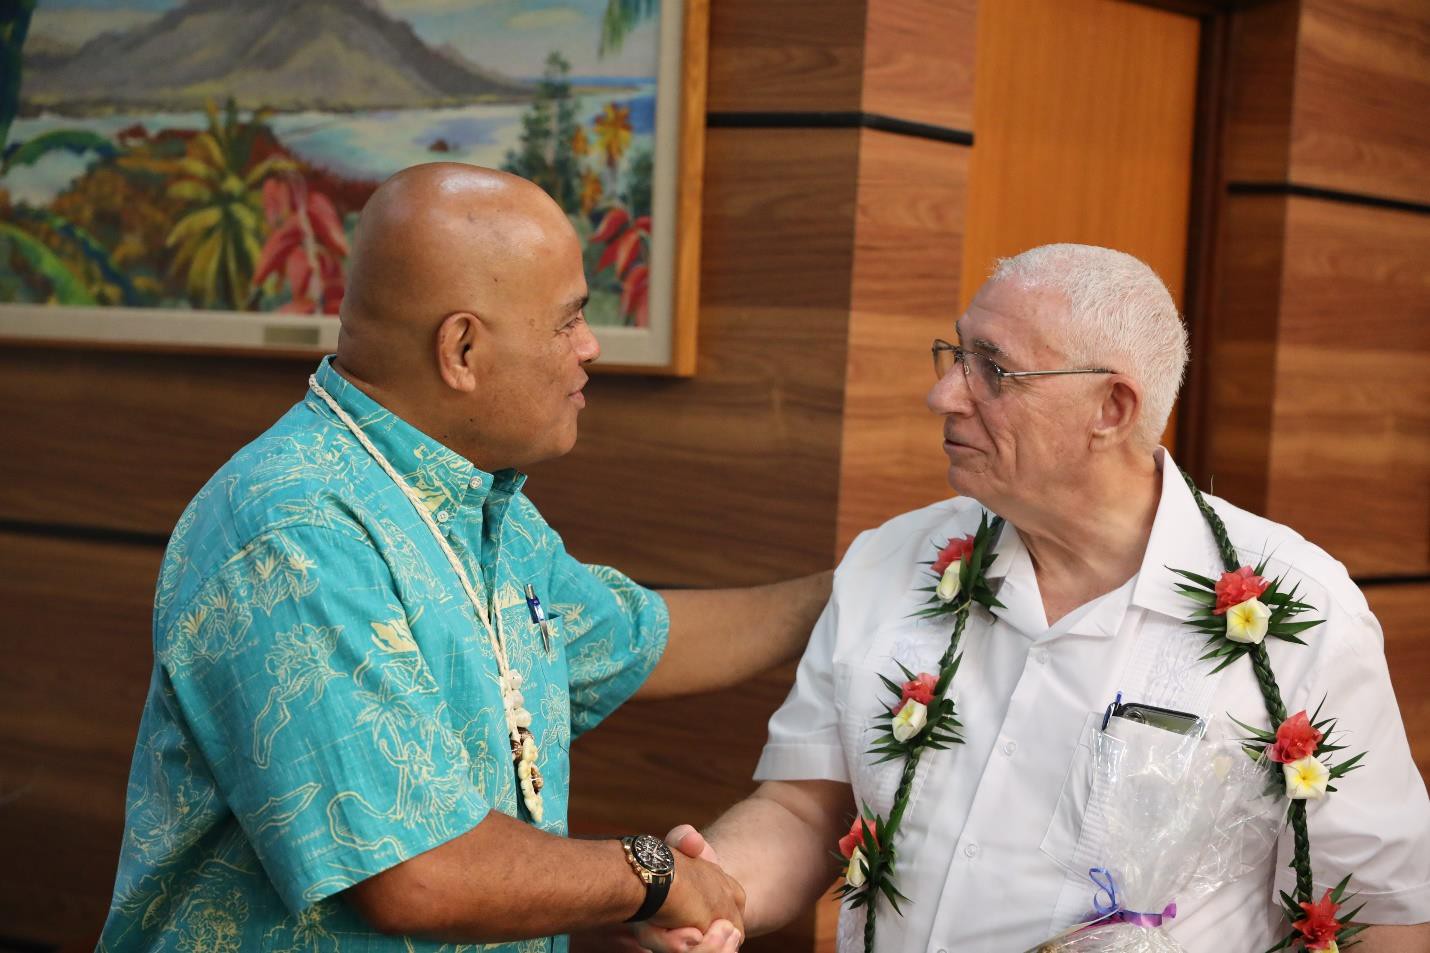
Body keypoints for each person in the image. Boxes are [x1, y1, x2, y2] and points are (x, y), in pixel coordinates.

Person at [97, 164, 831, 953]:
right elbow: (418, 873)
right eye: (568, 320)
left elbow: (640, 638)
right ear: (463, 349)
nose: (591, 347)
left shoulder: (476, 501)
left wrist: (863, 586)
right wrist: (652, 875)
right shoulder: (293, 531)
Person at [636, 244, 1430, 953]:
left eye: (993, 368)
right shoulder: (890, 561)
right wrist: (712, 891)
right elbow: (806, 810)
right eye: (954, 355)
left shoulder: (1300, 609)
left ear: (1111, 409)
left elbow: (1383, 908)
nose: (944, 395)